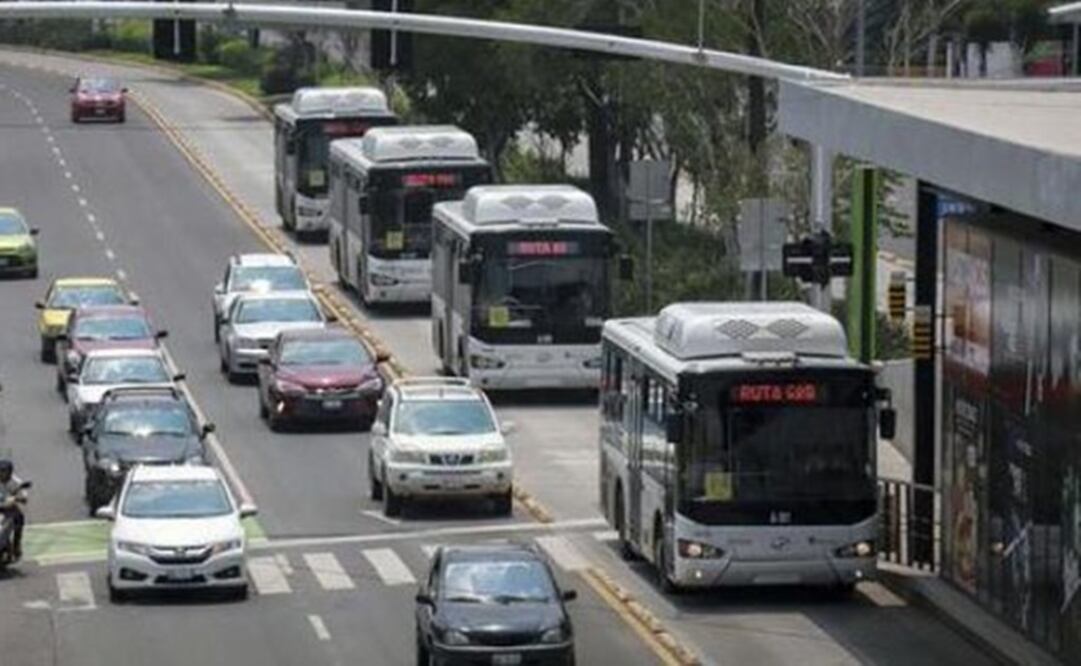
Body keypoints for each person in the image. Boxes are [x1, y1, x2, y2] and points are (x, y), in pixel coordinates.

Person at [0, 459, 27, 561]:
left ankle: (16, 545)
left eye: (4, 471)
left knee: (19, 518)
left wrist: (18, 498)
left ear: (10, 472)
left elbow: (24, 497)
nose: (2, 474)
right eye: (1, 471)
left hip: (9, 507)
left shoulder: (16, 482)